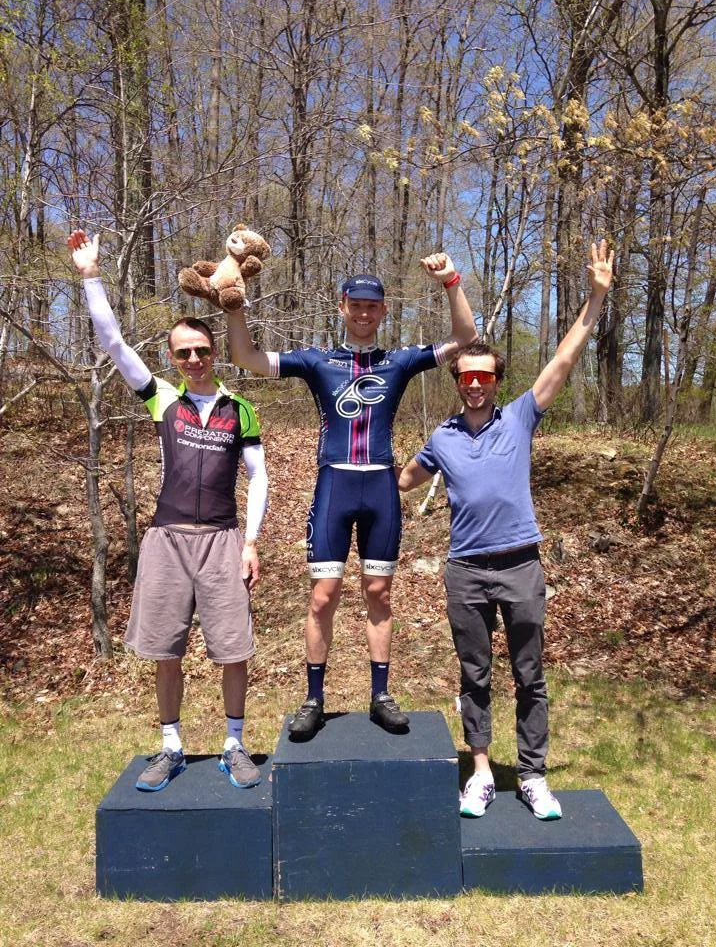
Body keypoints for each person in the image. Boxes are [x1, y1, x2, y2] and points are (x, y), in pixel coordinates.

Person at [399, 240, 614, 820]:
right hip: (465, 571)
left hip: (519, 565)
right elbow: (401, 481)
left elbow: (563, 360)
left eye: (484, 377)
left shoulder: (520, 417)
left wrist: (594, 300)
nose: (474, 384)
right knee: (474, 674)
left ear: (496, 381)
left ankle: (534, 776)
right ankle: (482, 774)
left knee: (529, 675)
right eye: (466, 376)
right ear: (457, 380)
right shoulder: (442, 438)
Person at [227, 256, 477, 739]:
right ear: (342, 307)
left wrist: (450, 281)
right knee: (323, 597)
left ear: (383, 311)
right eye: (356, 305)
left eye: (372, 306)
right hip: (334, 486)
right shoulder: (317, 360)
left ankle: (381, 695)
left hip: (381, 485)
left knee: (379, 593)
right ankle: (313, 699)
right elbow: (246, 357)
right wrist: (235, 307)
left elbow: (465, 337)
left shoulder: (399, 361)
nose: (364, 313)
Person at [67, 229, 269, 791]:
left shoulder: (239, 408)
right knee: (166, 650)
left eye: (202, 350)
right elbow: (113, 342)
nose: (194, 359)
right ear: (174, 359)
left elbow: (258, 477)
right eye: (184, 353)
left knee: (233, 650)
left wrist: (251, 542)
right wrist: (91, 277)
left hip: (223, 540)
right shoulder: (162, 397)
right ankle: (171, 747)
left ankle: (234, 744)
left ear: (213, 352)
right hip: (167, 539)